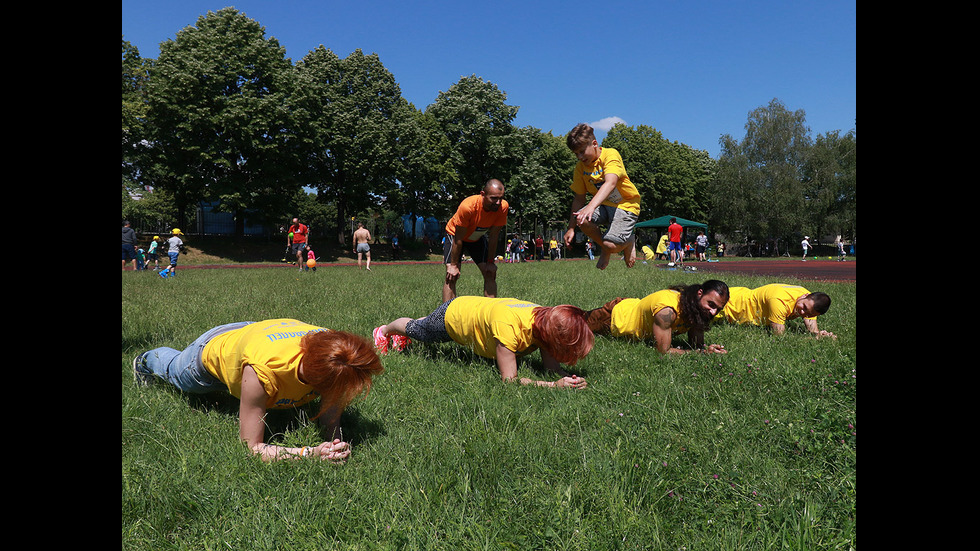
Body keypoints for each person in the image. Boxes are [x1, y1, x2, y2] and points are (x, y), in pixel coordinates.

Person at [133, 319, 384, 463]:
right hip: (210, 352)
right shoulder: (263, 372)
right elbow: (252, 447)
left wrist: (334, 440)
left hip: (256, 334)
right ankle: (145, 360)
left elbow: (332, 405)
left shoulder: (334, 351)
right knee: (177, 375)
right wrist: (310, 453)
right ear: (314, 378)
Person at [373, 297, 593, 389]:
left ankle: (419, 324)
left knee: (427, 324)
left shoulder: (545, 319)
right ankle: (384, 331)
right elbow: (509, 381)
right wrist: (552, 385)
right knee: (423, 332)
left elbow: (551, 368)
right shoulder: (509, 329)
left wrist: (565, 379)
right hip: (456, 316)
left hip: (475, 308)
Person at [564, 123, 641, 270]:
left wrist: (591, 207)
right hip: (604, 206)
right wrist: (571, 228)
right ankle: (606, 248)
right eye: (576, 154)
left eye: (582, 151)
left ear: (594, 144)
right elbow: (579, 198)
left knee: (611, 245)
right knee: (581, 218)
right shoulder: (580, 168)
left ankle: (628, 241)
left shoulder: (610, 154)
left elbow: (611, 182)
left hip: (626, 205)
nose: (580, 157)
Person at [584, 280, 730, 355]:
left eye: (718, 308)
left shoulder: (697, 309)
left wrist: (706, 351)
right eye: (711, 304)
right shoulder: (667, 312)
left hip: (634, 307)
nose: (713, 312)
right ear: (699, 293)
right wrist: (700, 353)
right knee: (572, 324)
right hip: (614, 317)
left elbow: (696, 346)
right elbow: (663, 352)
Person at [442, 179, 508, 302]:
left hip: (476, 236)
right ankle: (444, 316)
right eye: (493, 198)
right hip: (456, 235)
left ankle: (490, 311)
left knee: (489, 273)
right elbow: (459, 238)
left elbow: (494, 236)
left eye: (501, 198)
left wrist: (490, 262)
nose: (498, 202)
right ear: (482, 194)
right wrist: (454, 265)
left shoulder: (502, 207)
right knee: (451, 275)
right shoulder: (468, 207)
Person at [716, 283, 835, 339]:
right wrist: (808, 339)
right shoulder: (779, 300)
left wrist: (818, 335)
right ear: (805, 295)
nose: (803, 313)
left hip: (738, 295)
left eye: (808, 313)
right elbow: (779, 336)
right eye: (803, 307)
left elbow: (812, 327)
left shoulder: (809, 300)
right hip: (730, 306)